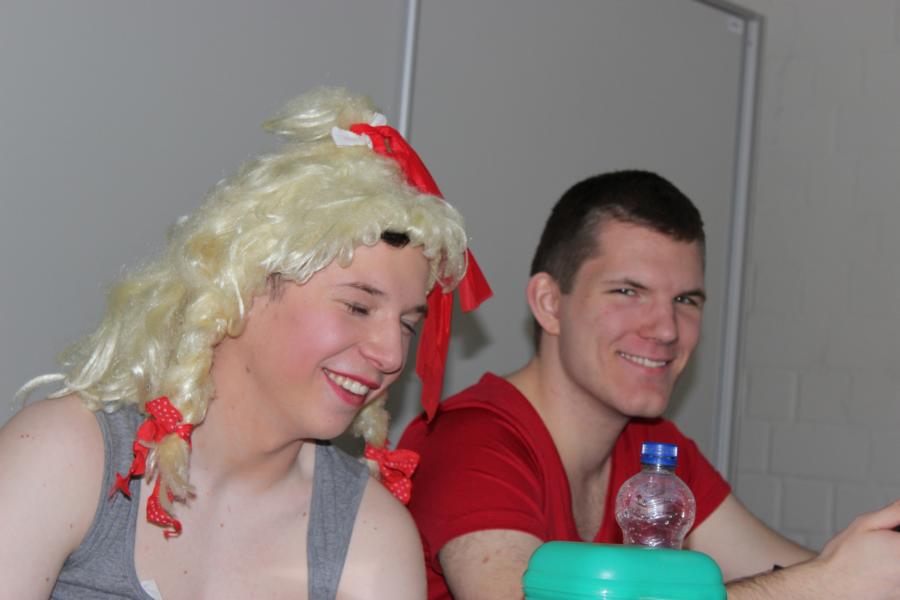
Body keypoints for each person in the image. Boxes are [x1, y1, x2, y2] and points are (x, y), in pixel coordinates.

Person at [0, 87, 490, 600]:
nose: (391, 355)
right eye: (357, 307)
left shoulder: (370, 538)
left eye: (408, 324)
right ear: (244, 289)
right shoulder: (68, 456)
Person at [399, 169, 900, 599]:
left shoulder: (653, 449)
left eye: (686, 300)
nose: (665, 330)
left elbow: (792, 568)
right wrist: (822, 583)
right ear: (550, 304)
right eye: (628, 291)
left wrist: (861, 568)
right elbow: (809, 584)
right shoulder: (470, 441)